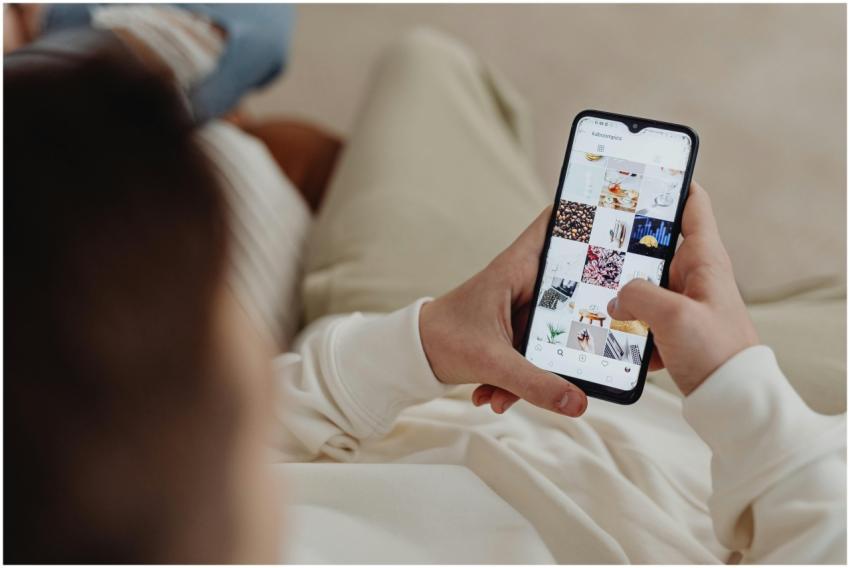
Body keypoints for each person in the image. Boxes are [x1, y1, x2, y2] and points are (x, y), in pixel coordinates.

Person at [5, 7, 845, 565]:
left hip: (447, 384)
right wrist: (740, 387)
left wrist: (423, 341)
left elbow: (282, 406)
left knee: (426, 61)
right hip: (751, 478)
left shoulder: (109, 492)